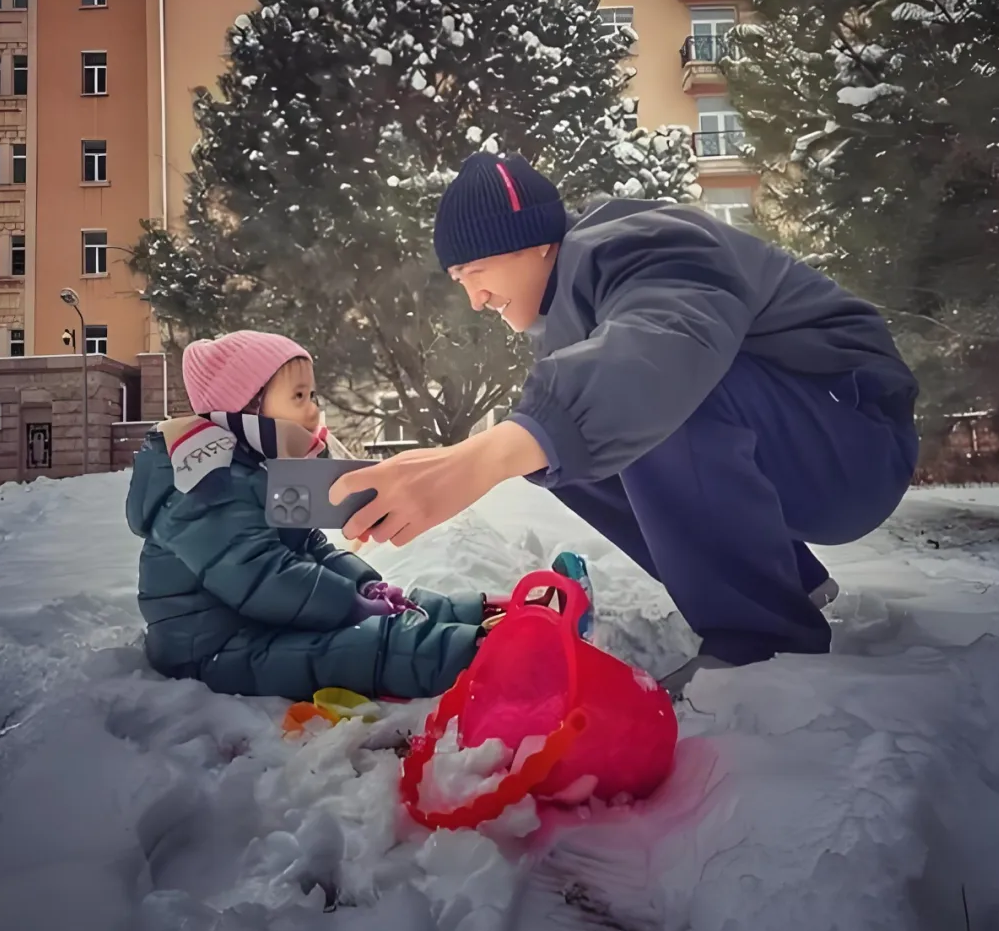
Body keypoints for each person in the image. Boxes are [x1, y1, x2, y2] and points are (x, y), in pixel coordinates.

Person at [330, 152, 920, 692]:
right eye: (460, 282)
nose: (476, 299)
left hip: (854, 439)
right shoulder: (577, 311)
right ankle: (785, 588)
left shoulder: (642, 243)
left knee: (630, 396)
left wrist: (480, 459)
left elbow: (665, 343)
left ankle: (762, 643)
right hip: (809, 445)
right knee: (571, 447)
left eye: (477, 269)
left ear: (533, 242)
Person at [125, 330, 492, 702]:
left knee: (390, 613)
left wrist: (363, 585)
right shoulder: (202, 484)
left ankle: (476, 616)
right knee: (366, 648)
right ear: (247, 407)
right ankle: (485, 659)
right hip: (213, 649)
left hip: (263, 620)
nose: (314, 409)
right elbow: (261, 575)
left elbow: (310, 545)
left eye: (312, 395)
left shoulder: (258, 469)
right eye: (299, 396)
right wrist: (346, 603)